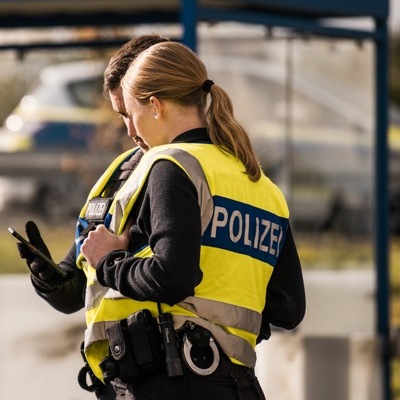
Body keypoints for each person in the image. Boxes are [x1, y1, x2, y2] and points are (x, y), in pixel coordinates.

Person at [19, 39, 305, 400]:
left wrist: (110, 263)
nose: (129, 131)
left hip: (165, 379)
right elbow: (288, 307)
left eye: (129, 113)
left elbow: (173, 275)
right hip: (236, 383)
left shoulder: (168, 167)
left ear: (154, 105)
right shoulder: (260, 184)